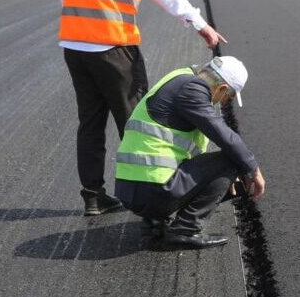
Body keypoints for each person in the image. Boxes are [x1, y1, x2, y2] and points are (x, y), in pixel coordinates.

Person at [58, 0, 227, 216]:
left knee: (90, 123)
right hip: (113, 48)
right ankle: (149, 197)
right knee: (138, 121)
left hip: (75, 47)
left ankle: (93, 196)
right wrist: (200, 24)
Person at [114, 56, 266, 248]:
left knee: (223, 167)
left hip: (131, 187)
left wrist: (217, 180)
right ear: (221, 89)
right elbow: (226, 137)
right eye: (229, 97)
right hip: (151, 189)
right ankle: (185, 230)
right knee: (232, 160)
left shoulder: (180, 77)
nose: (224, 104)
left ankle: (154, 222)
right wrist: (252, 168)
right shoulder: (192, 90)